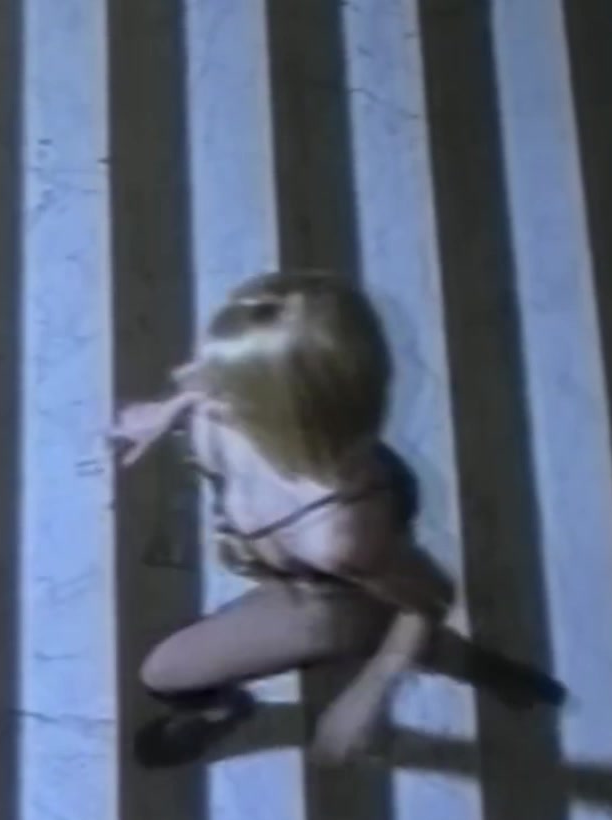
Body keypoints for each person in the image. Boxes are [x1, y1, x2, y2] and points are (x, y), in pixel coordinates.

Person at [109, 270, 564, 769]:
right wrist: (165, 413)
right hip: (293, 559)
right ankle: (492, 672)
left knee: (167, 674)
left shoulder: (341, 534)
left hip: (322, 592)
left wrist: (371, 691)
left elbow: (430, 596)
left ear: (280, 413)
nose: (187, 376)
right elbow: (195, 387)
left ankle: (486, 669)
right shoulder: (226, 410)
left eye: (224, 384)